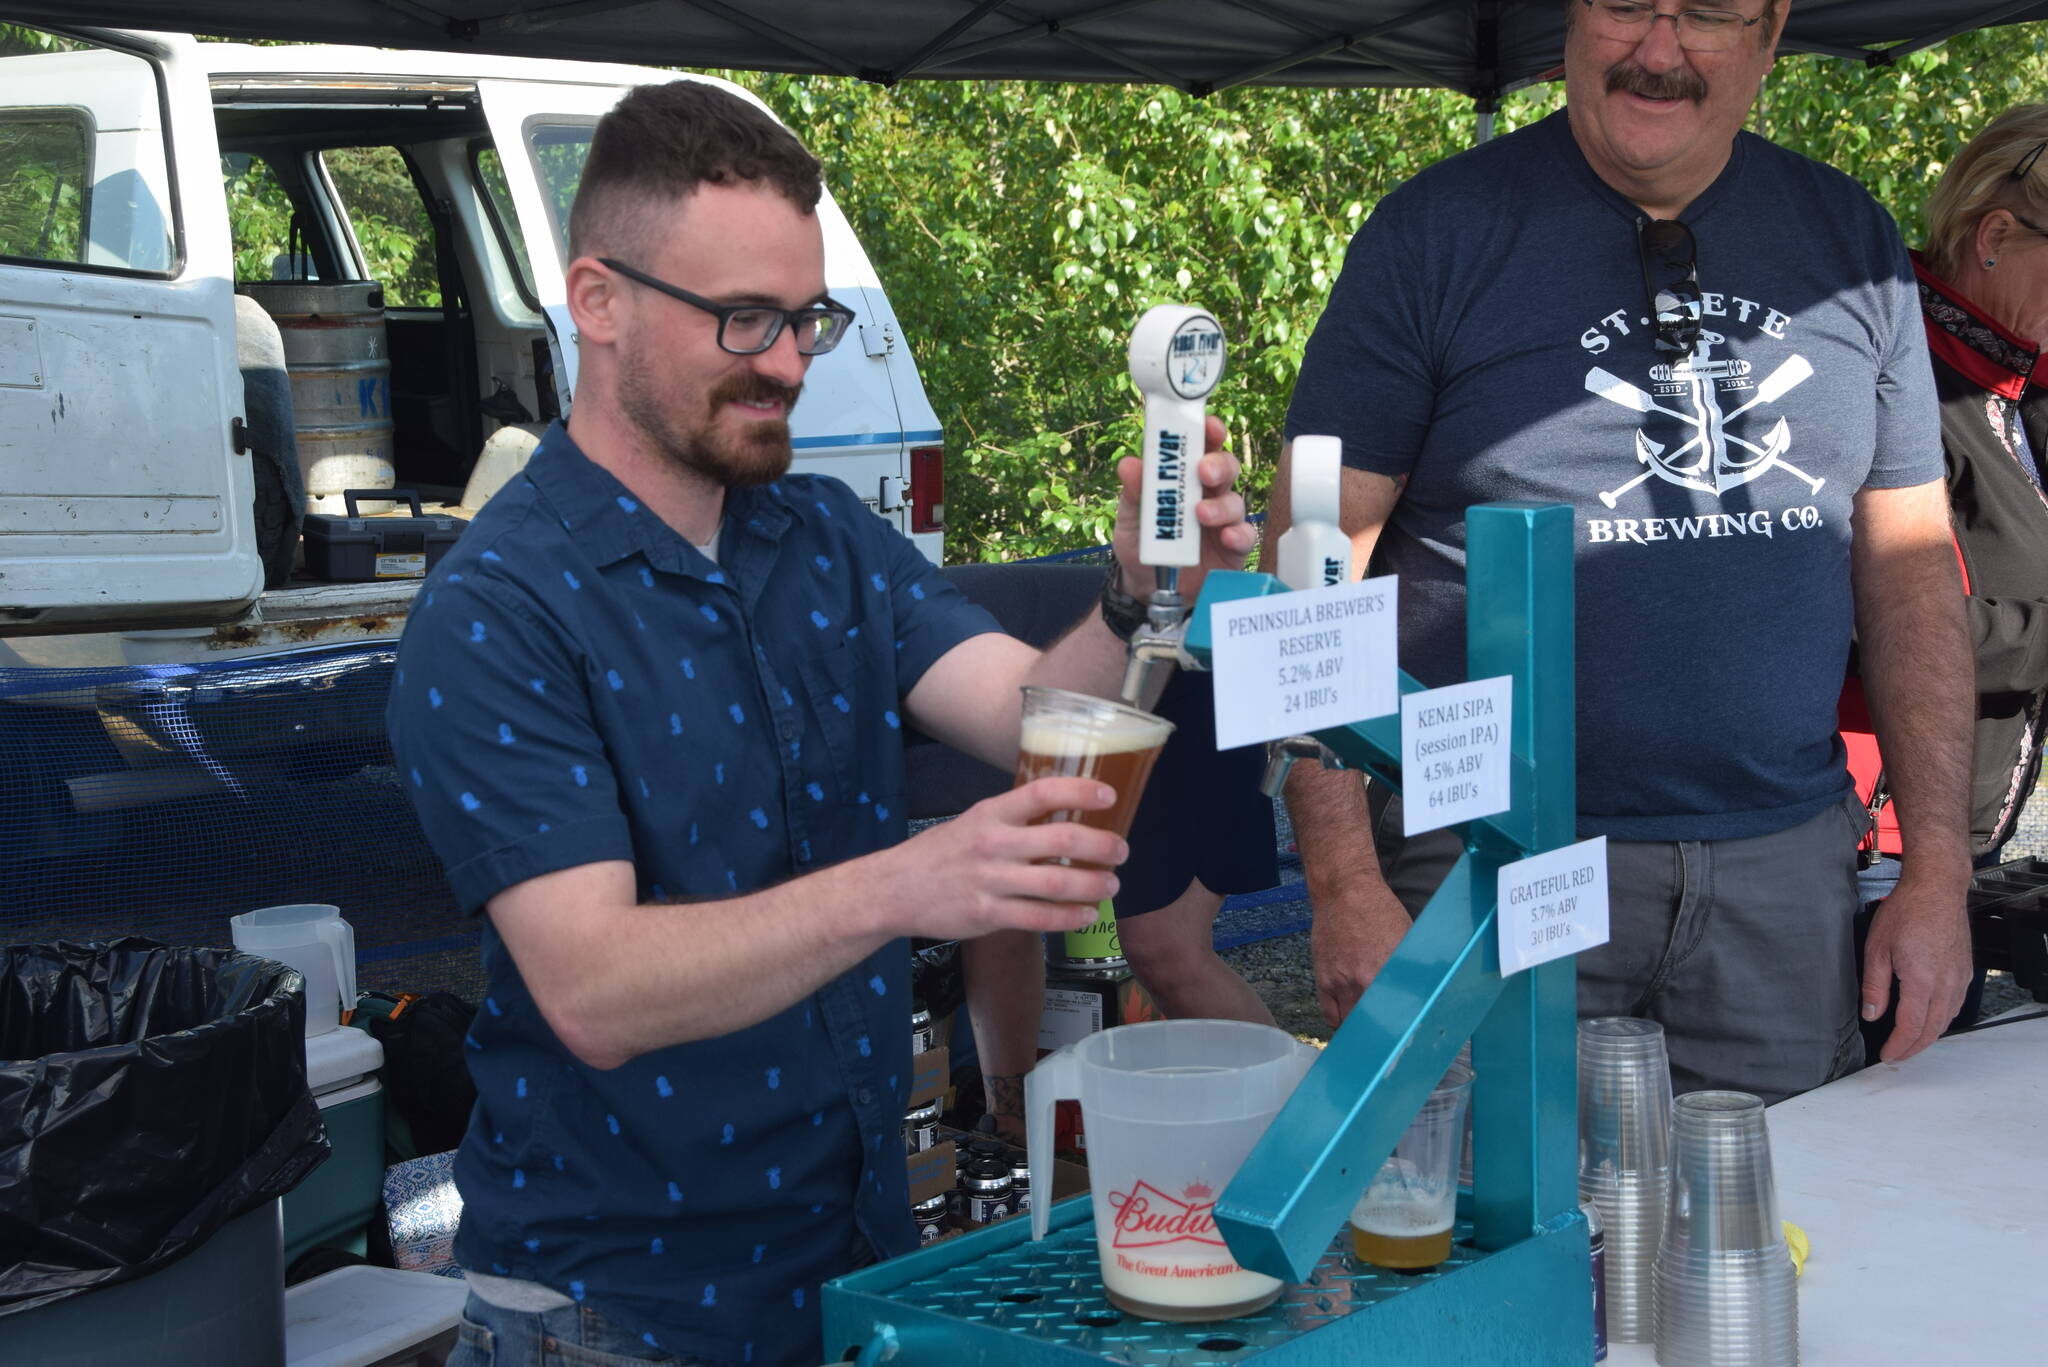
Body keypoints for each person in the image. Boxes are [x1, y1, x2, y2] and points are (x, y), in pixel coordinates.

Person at [385, 79, 1253, 1367]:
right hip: (613, 1317)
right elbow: (595, 988)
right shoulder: (496, 612)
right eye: (743, 318)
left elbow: (1029, 714)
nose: (788, 362)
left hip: (848, 1274)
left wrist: (1135, 594)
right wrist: (909, 882)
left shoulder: (823, 536)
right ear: (599, 300)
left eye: (805, 318)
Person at [1269, 0, 1975, 1105]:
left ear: (1770, 32)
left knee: (1769, 1240)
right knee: (1497, 1239)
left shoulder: (1851, 244)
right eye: (1624, 4)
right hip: (1492, 864)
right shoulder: (1434, 236)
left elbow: (1911, 571)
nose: (1658, 49)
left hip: (1777, 877)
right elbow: (1307, 569)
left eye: (1704, 12)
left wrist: (1936, 868)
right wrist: (1341, 881)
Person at [1843, 103, 2048, 1041]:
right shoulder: (1896, 367)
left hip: (1963, 842)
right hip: (1876, 848)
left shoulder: (2014, 373)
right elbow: (1897, 614)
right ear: (1996, 236)